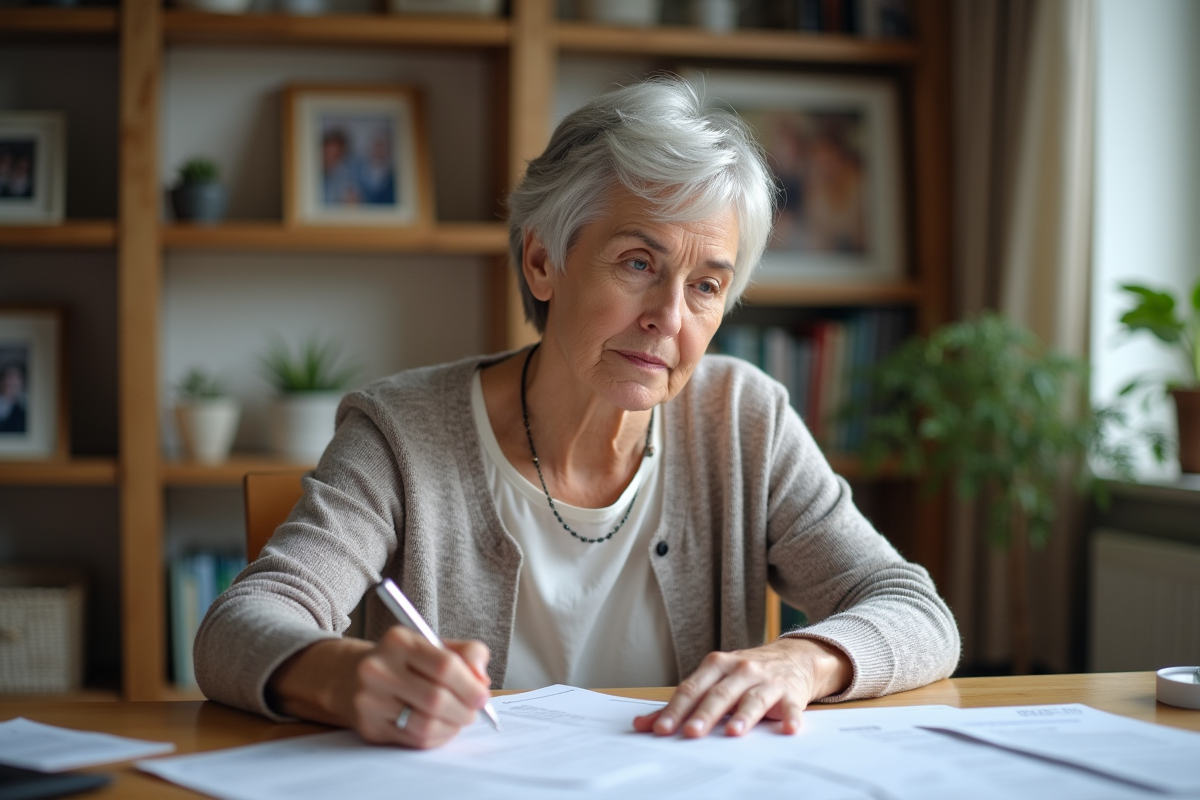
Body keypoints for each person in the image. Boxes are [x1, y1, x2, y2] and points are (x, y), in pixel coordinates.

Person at [195, 77, 959, 750]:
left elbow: (915, 612)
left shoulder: (743, 419)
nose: (669, 317)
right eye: (638, 263)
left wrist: (804, 658)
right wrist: (346, 676)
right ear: (542, 261)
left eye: (706, 286)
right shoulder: (403, 430)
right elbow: (238, 624)